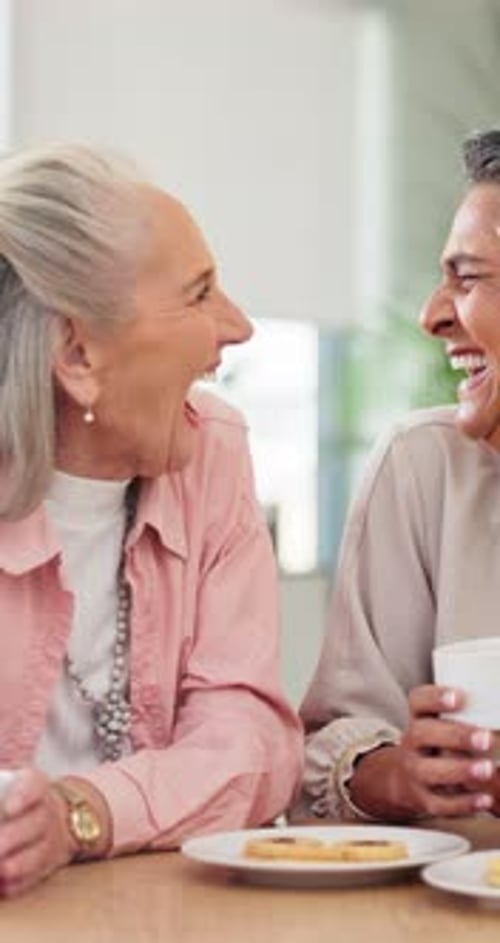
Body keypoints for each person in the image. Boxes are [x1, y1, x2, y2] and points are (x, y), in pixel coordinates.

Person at [0, 142, 303, 896]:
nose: (237, 327)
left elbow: (252, 741)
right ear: (77, 353)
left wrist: (85, 811)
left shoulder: (214, 454)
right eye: (199, 294)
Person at [300, 129, 500, 825]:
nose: (431, 314)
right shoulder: (425, 466)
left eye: (468, 278)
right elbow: (329, 742)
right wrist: (399, 774)